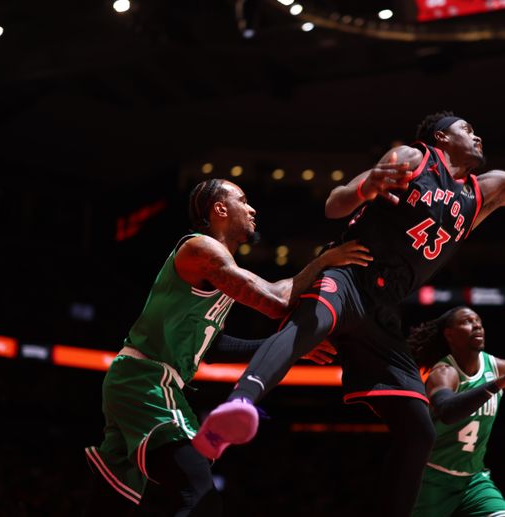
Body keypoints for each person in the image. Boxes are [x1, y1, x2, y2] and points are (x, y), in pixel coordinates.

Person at [195, 111, 505, 516]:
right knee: (315, 320)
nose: (477, 135)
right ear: (440, 138)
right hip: (349, 272)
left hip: (382, 312)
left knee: (418, 427)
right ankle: (236, 409)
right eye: (466, 128)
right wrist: (368, 184)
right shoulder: (410, 158)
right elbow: (334, 203)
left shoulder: (483, 194)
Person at [84, 178, 371, 516]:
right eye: (243, 200)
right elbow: (278, 302)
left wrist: (279, 345)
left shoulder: (221, 272)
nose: (252, 209)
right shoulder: (201, 250)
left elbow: (215, 344)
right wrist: (324, 261)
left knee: (126, 500)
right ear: (220, 209)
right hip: (147, 380)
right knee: (200, 493)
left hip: (143, 382)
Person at [408, 306, 505, 517]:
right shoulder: (443, 373)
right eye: (467, 321)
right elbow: (447, 412)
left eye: (478, 320)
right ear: (449, 334)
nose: (477, 325)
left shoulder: (496, 367)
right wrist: (500, 383)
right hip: (431, 478)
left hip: (473, 480)